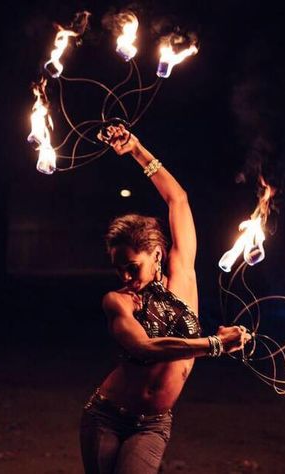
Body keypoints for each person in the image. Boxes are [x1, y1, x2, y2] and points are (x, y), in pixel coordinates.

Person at [80, 124, 250, 474]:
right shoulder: (118, 301)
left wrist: (138, 150)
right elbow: (145, 348)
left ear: (157, 255)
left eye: (132, 266)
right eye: (118, 269)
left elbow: (178, 199)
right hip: (106, 416)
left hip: (153, 423)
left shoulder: (183, 274)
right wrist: (215, 344)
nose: (125, 277)